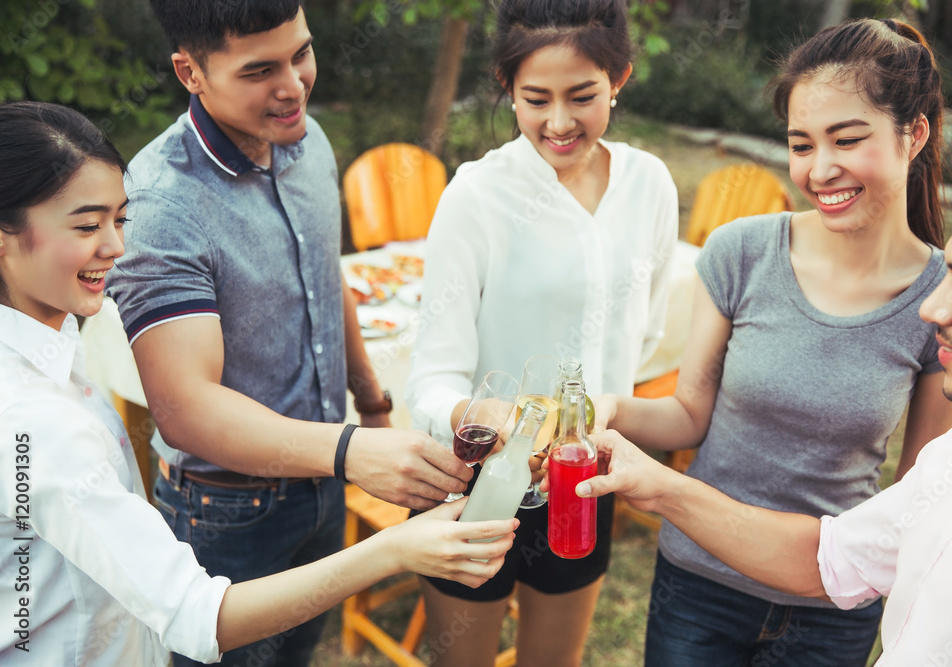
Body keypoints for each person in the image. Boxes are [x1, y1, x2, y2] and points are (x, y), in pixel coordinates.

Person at [0, 101, 518, 666]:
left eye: (120, 220)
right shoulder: (34, 420)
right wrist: (391, 549)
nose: (117, 247)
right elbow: (195, 614)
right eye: (86, 226)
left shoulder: (47, 349)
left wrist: (369, 403)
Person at [105, 2, 478, 665]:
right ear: (189, 71)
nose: (293, 85)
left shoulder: (308, 140)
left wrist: (372, 403)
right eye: (260, 70)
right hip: (226, 515)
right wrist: (349, 449)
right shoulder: (159, 205)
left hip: (322, 485)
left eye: (301, 54)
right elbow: (187, 409)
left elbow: (322, 273)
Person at [587, 18, 952, 666]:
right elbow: (688, 415)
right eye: (801, 144)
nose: (820, 170)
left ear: (915, 133)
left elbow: (919, 490)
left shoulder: (943, 300)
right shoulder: (743, 251)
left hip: (831, 607)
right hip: (698, 585)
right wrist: (613, 409)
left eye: (847, 139)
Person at [404, 0, 678, 664]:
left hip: (582, 475)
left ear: (621, 78)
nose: (559, 122)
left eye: (583, 95)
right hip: (476, 480)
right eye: (535, 99)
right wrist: (478, 412)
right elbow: (430, 381)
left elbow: (645, 335)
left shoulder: (650, 186)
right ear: (507, 88)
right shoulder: (475, 197)